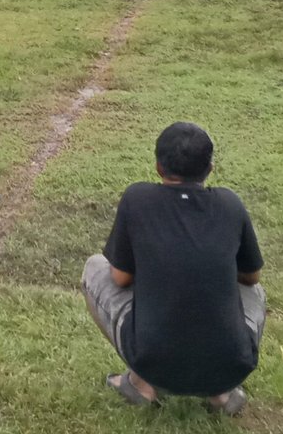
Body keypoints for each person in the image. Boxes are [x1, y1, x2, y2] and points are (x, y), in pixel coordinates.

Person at [81, 122, 265, 415]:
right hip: (232, 365)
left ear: (158, 167)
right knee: (255, 291)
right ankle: (222, 393)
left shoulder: (137, 199)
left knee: (94, 268)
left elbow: (120, 277)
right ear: (210, 168)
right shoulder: (230, 203)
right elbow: (251, 276)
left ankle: (141, 384)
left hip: (152, 360)